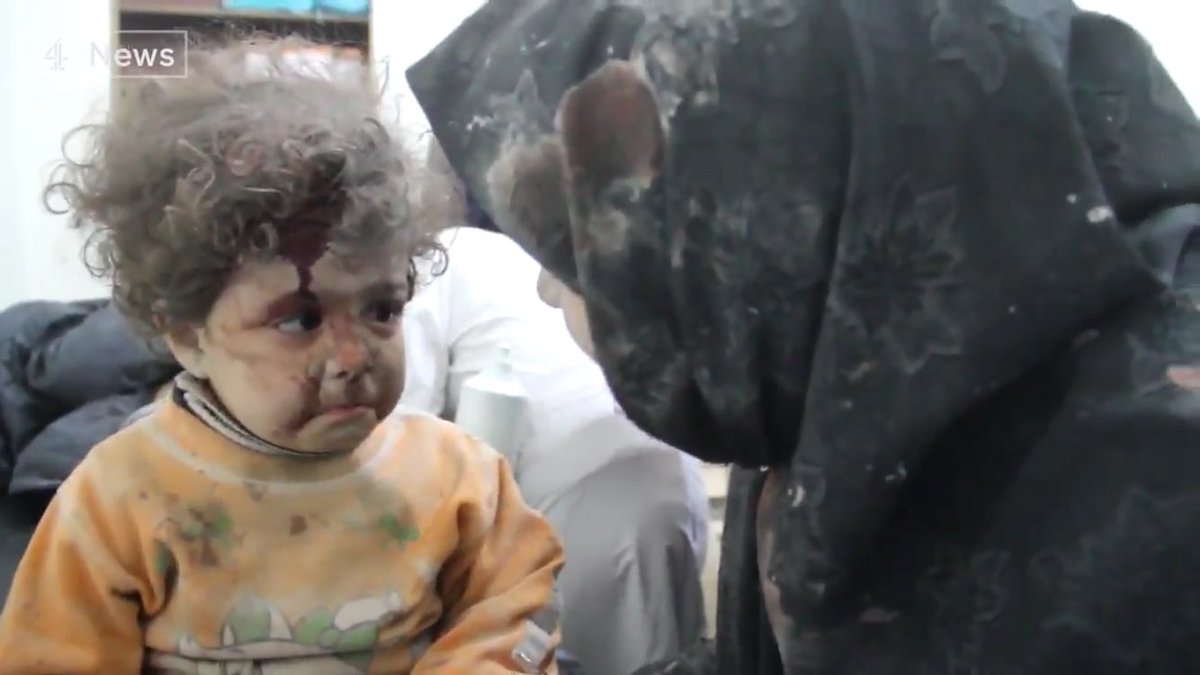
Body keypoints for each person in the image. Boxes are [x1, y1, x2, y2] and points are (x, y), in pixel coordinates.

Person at [408, 1, 1200, 673]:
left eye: (582, 262)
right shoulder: (860, 374)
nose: (549, 293)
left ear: (745, 231)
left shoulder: (1148, 524)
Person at [0, 38, 564, 674]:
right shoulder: (119, 498)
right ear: (185, 333)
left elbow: (517, 605)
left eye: (382, 309)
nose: (352, 356)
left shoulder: (458, 478)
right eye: (300, 319)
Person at [401, 221, 710, 675]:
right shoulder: (583, 252)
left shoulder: (441, 258)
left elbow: (399, 438)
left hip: (566, 524)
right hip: (674, 498)